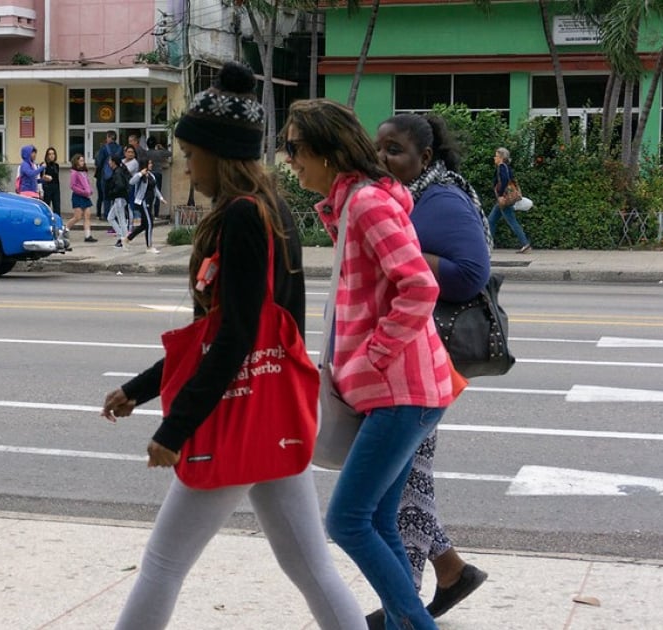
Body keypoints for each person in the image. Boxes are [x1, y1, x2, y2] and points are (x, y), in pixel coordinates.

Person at [101, 62, 365, 630]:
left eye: (192, 155)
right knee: (310, 565)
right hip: (272, 407)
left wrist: (175, 429)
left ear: (220, 154)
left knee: (163, 563)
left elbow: (233, 337)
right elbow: (222, 330)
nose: (186, 166)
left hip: (238, 411)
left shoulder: (243, 219)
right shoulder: (272, 211)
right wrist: (140, 389)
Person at [282, 98, 454, 630]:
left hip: (401, 390)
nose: (289, 161)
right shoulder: (353, 203)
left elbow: (420, 285)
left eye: (294, 149)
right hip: (406, 390)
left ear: (327, 151)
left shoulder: (366, 203)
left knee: (347, 520)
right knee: (378, 517)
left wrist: (374, 357)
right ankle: (410, 623)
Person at [369, 113, 491, 629]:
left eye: (394, 150)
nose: (383, 159)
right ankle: (450, 571)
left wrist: (407, 258)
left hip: (426, 360)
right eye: (378, 148)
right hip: (410, 357)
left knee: (406, 480)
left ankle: (406, 606)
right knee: (408, 477)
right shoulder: (407, 195)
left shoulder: (441, 198)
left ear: (425, 157)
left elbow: (472, 270)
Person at [487, 147, 531, 254]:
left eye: (496, 156)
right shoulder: (505, 167)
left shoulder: (502, 167)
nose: (494, 158)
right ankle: (488, 245)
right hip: (503, 200)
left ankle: (525, 244)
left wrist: (501, 195)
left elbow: (505, 180)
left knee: (510, 221)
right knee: (491, 220)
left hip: (504, 199)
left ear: (501, 157)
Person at [125, 159, 166, 253]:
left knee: (144, 225)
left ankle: (127, 239)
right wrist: (140, 173)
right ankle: (149, 247)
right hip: (143, 202)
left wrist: (161, 198)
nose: (151, 165)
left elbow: (155, 188)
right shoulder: (140, 175)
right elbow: (131, 182)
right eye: (149, 163)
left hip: (150, 202)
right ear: (145, 164)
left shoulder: (151, 175)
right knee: (149, 223)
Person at [68, 153, 97, 242]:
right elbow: (72, 186)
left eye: (83, 160)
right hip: (78, 196)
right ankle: (64, 230)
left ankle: (88, 236)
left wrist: (90, 190)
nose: (82, 162)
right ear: (76, 162)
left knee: (87, 215)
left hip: (85, 196)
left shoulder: (84, 172)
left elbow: (87, 183)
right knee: (77, 217)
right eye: (80, 160)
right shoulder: (74, 173)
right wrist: (83, 192)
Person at [94, 131, 123, 219]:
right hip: (117, 175)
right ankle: (116, 216)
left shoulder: (104, 148)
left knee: (106, 197)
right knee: (116, 197)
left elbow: (99, 162)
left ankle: (107, 215)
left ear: (109, 137)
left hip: (106, 176)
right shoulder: (120, 148)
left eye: (107, 137)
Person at [105, 154, 131, 248]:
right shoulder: (118, 171)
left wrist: (112, 192)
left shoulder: (118, 172)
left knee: (121, 219)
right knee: (110, 217)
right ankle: (121, 236)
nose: (109, 163)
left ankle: (124, 239)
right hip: (118, 198)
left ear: (113, 162)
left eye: (110, 161)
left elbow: (120, 186)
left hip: (119, 198)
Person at [146, 137, 173, 218]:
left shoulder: (146, 153)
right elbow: (169, 153)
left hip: (148, 174)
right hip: (158, 173)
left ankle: (148, 212)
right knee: (157, 193)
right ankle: (156, 214)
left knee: (148, 193)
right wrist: (162, 147)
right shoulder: (159, 152)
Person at [41, 147, 61, 216]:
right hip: (47, 187)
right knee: (46, 206)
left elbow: (56, 178)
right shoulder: (44, 165)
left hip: (56, 188)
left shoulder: (56, 165)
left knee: (57, 206)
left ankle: (57, 222)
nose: (52, 156)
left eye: (53, 154)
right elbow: (41, 177)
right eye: (49, 154)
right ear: (47, 156)